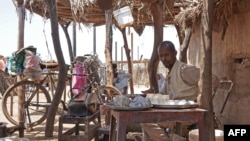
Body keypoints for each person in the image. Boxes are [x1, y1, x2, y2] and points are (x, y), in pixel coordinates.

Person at [141, 41, 200, 141]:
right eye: (161, 56)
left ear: (175, 53)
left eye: (166, 55)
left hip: (186, 116)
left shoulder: (183, 70)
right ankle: (171, 138)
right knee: (144, 119)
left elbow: (211, 79)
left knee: (145, 120)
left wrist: (200, 99)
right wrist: (146, 96)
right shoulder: (170, 75)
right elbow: (162, 95)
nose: (164, 59)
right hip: (173, 114)